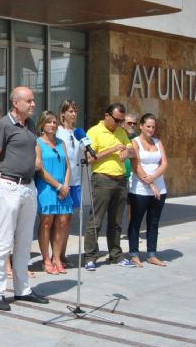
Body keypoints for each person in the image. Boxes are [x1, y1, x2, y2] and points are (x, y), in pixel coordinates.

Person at [0, 86, 48, 311]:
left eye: (33, 100)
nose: (33, 104)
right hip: (9, 186)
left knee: (24, 241)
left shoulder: (30, 125)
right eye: (29, 101)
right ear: (16, 103)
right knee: (3, 241)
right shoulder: (3, 125)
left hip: (28, 187)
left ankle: (22, 289)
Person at [84, 103, 137, 271]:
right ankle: (90, 257)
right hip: (102, 180)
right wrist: (113, 149)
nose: (120, 124)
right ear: (107, 116)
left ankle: (116, 255)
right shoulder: (94, 132)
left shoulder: (121, 132)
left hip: (120, 181)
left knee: (116, 221)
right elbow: (89, 159)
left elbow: (133, 153)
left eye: (122, 121)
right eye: (117, 120)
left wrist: (125, 152)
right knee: (96, 220)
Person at [127, 113, 168, 267]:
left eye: (153, 127)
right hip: (140, 190)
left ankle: (152, 254)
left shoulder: (158, 142)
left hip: (160, 189)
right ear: (141, 126)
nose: (151, 129)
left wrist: (154, 177)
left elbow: (164, 163)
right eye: (148, 126)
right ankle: (134, 254)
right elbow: (135, 165)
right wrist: (149, 183)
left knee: (154, 222)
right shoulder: (135, 142)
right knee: (136, 222)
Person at [34, 111, 73, 275]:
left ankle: (57, 257)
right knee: (46, 222)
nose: (52, 125)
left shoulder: (61, 142)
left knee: (62, 222)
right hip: (47, 187)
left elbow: (68, 166)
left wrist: (65, 185)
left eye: (54, 122)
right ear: (42, 124)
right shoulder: (37, 143)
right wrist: (58, 186)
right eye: (49, 122)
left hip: (63, 188)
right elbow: (39, 169)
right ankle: (46, 259)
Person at [55, 99, 81, 267]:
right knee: (60, 220)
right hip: (63, 180)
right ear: (63, 113)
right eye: (70, 111)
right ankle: (55, 255)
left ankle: (63, 255)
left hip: (76, 179)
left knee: (69, 219)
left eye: (75, 111)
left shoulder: (77, 133)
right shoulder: (58, 131)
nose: (73, 114)